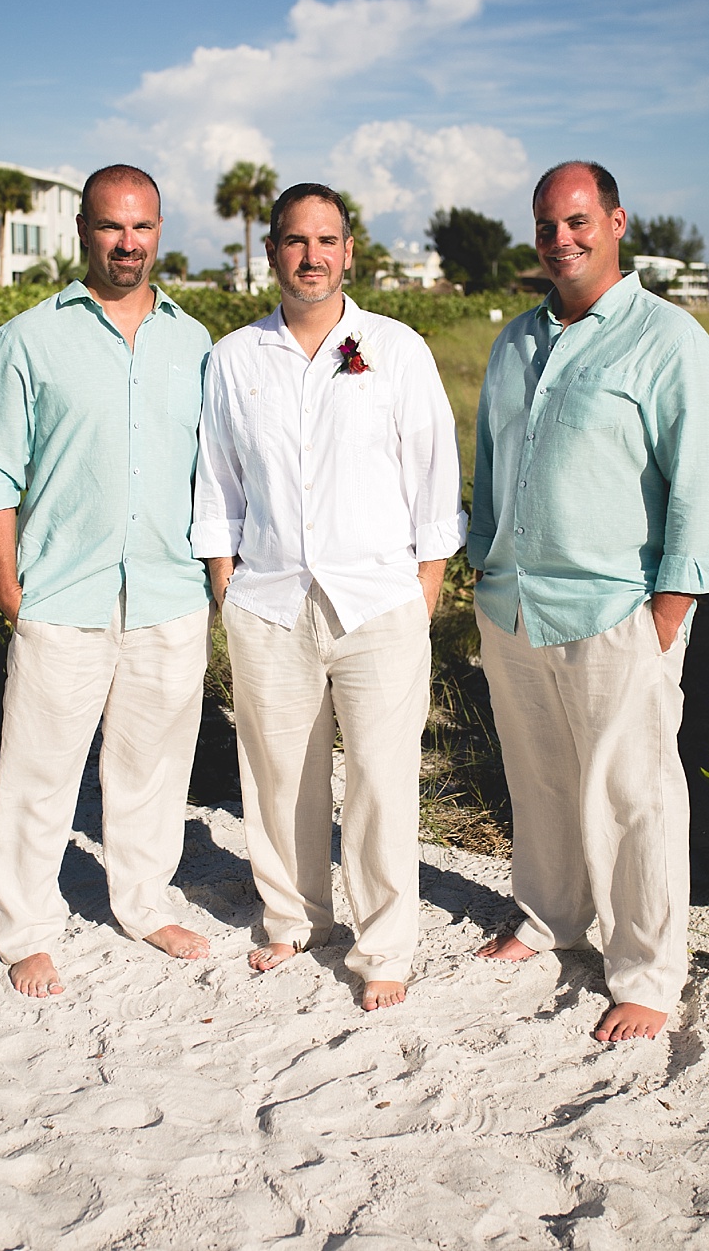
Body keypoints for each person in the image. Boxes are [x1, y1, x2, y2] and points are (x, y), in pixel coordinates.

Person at [469, 160, 709, 1043]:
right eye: (547, 225)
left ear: (618, 222)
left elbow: (700, 484)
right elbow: (491, 468)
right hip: (514, 605)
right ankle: (548, 921)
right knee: (540, 781)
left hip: (618, 609)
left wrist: (668, 611)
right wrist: (483, 564)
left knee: (634, 795)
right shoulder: (515, 341)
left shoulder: (671, 342)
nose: (562, 239)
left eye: (579, 221)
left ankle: (649, 973)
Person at [194, 183, 465, 1011]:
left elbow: (433, 475)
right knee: (279, 775)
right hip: (269, 600)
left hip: (380, 601)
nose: (311, 255)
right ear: (271, 252)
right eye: (294, 241)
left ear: (349, 252)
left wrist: (422, 592)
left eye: (327, 240)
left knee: (383, 780)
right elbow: (218, 480)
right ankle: (296, 918)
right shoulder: (235, 357)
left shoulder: (397, 348)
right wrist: (227, 584)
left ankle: (384, 945)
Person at [0, 165, 215, 999]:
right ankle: (27, 929)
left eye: (141, 227)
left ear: (160, 230)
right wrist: (8, 583)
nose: (127, 243)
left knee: (153, 767)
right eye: (111, 226)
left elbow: (219, 471)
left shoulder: (196, 341)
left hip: (169, 593)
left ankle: (143, 903)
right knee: (40, 770)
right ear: (82, 230)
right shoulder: (28, 338)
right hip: (62, 593)